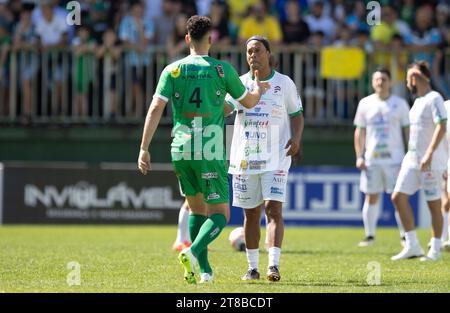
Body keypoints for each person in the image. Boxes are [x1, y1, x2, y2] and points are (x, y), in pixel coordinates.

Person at [138, 15, 270, 284]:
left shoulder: (172, 70)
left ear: (187, 39)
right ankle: (193, 250)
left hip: (181, 149)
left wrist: (144, 148)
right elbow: (250, 102)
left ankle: (205, 271)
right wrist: (258, 88)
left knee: (197, 210)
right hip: (208, 148)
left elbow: (155, 109)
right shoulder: (222, 70)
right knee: (220, 214)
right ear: (210, 39)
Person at [225, 36, 304, 282]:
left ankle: (273, 266)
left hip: (276, 157)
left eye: (258, 50)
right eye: (249, 51)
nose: (253, 55)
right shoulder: (239, 84)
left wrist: (297, 138)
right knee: (250, 214)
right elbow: (225, 109)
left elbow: (297, 114)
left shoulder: (284, 83)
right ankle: (252, 268)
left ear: (268, 54)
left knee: (273, 209)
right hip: (245, 158)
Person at [391, 61, 447, 261]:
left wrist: (430, 153)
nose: (407, 84)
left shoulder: (435, 98)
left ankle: (436, 250)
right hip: (412, 160)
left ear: (415, 78)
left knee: (433, 205)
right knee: (398, 197)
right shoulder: (416, 102)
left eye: (408, 78)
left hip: (430, 161)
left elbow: (442, 126)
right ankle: (412, 244)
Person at [353, 67, 409, 248]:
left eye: (384, 79)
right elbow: (359, 132)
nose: (380, 82)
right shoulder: (365, 103)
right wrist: (359, 156)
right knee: (371, 196)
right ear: (372, 82)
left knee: (398, 197)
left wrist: (409, 155)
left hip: (395, 159)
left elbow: (408, 131)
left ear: (390, 82)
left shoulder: (400, 104)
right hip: (372, 159)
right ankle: (369, 235)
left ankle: (404, 236)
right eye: (377, 79)